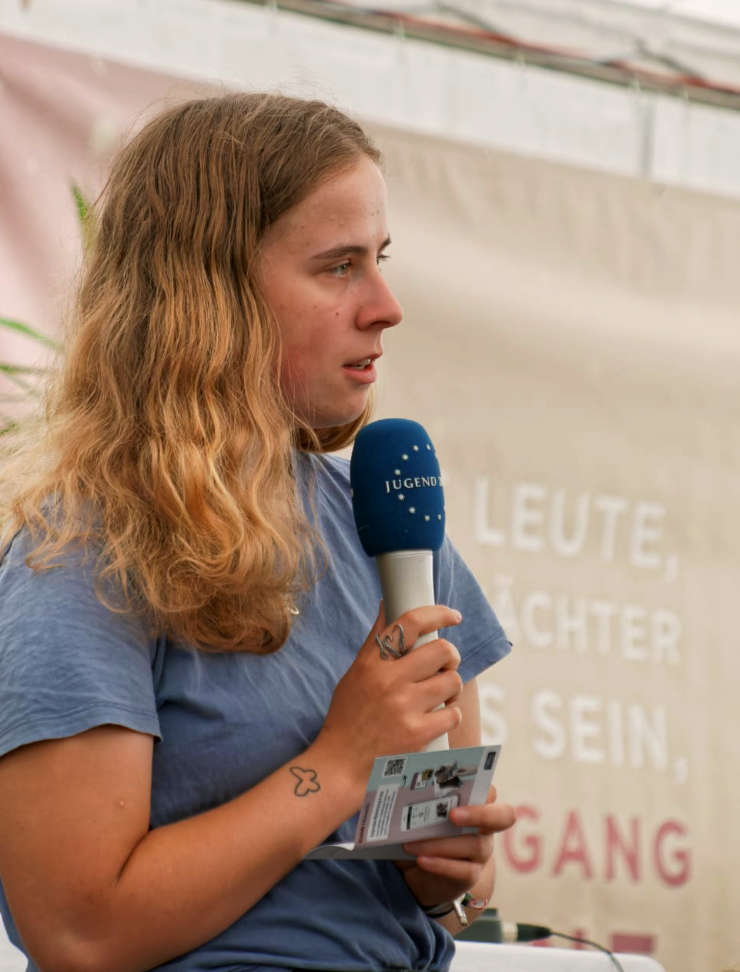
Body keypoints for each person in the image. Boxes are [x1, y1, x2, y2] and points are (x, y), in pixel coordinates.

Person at [0, 92, 515, 972]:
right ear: (212, 296)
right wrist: (341, 762)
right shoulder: (86, 551)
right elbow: (80, 934)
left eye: (380, 259)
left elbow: (455, 890)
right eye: (338, 266)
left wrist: (448, 876)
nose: (386, 305)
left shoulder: (388, 526)